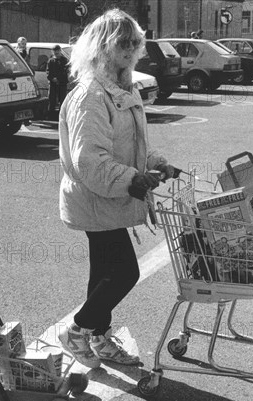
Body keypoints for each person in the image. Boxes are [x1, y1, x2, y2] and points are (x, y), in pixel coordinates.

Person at [57, 9, 179, 367]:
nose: (129, 50)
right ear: (102, 46)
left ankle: (97, 336)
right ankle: (77, 330)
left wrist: (157, 162)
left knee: (103, 275)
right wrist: (133, 180)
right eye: (122, 43)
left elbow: (132, 143)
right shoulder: (91, 96)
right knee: (125, 272)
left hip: (107, 200)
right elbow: (90, 161)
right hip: (97, 199)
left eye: (134, 44)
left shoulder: (119, 89)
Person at [46, 45, 70, 118]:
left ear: (60, 51)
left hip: (62, 83)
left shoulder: (65, 61)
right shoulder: (51, 61)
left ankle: (61, 116)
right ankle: (51, 115)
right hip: (53, 84)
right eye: (54, 52)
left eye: (57, 51)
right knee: (52, 100)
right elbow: (48, 72)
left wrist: (58, 79)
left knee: (62, 100)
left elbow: (65, 71)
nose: (56, 53)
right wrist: (52, 78)